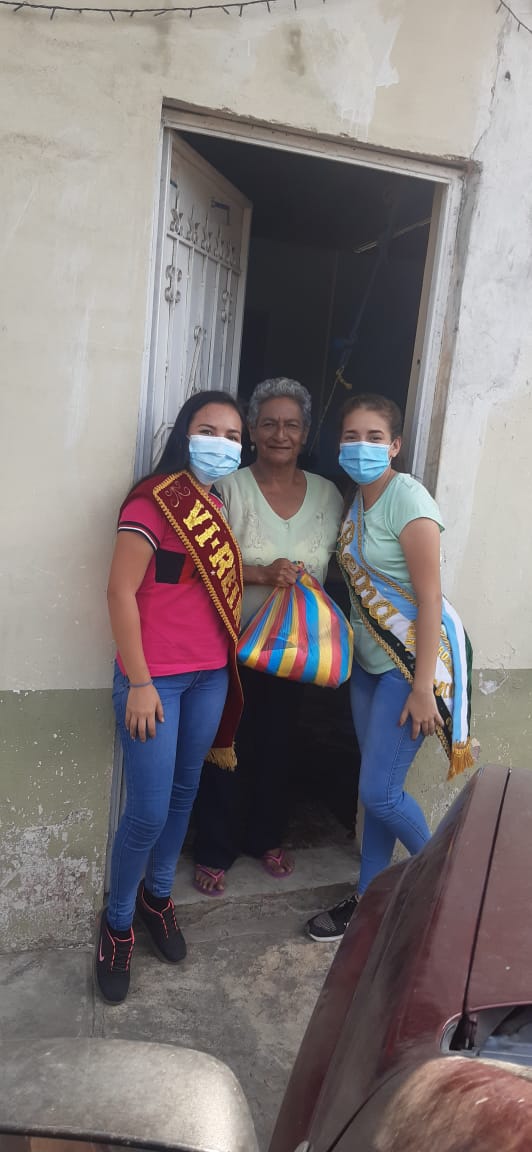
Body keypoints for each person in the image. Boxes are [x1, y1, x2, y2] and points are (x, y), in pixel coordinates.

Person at [95, 390, 245, 1004]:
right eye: (210, 430)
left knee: (185, 793)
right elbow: (119, 593)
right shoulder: (152, 502)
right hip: (153, 681)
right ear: (185, 434)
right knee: (148, 811)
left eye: (233, 435)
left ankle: (158, 897)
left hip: (210, 675)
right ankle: (118, 923)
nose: (222, 443)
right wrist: (138, 681)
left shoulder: (214, 505)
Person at [306, 392, 473, 942]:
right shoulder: (357, 500)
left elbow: (429, 599)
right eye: (351, 437)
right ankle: (370, 898)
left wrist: (422, 688)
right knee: (376, 790)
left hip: (409, 669)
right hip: (368, 665)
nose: (362, 447)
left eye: (374, 438)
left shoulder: (409, 501)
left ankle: (446, 890)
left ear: (395, 445)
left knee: (380, 793)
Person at [193, 377, 344, 895]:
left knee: (279, 745)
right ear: (253, 432)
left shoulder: (328, 495)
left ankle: (267, 837)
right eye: (270, 424)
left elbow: (345, 562)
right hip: (231, 646)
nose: (281, 434)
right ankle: (215, 847)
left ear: (306, 433)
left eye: (292, 425)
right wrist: (261, 573)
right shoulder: (227, 488)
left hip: (297, 649)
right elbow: (200, 565)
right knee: (225, 745)